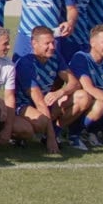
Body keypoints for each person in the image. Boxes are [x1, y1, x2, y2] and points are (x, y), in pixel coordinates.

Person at [12, 26, 76, 157]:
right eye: (47, 43)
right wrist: (51, 140)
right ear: (34, 44)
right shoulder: (26, 63)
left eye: (53, 42)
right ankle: (27, 134)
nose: (52, 47)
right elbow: (39, 101)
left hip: (46, 103)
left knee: (82, 97)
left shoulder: (55, 57)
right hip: (25, 105)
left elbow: (75, 83)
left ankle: (53, 132)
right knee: (39, 122)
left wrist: (59, 93)